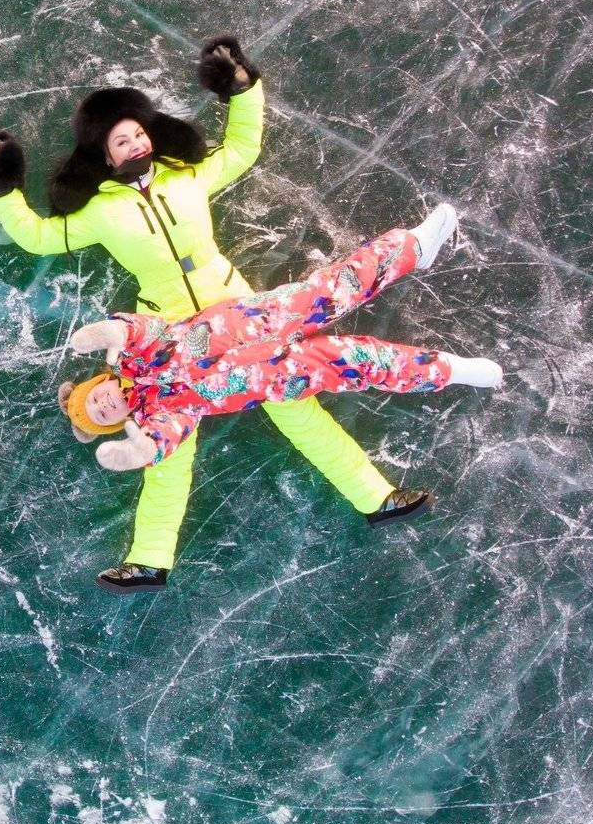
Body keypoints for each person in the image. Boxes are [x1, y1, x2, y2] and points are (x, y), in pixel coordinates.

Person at [0, 37, 432, 592]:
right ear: (105, 156)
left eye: (139, 133)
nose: (136, 143)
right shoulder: (98, 212)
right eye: (122, 140)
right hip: (169, 331)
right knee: (167, 445)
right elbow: (38, 237)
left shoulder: (185, 176)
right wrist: (5, 190)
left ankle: (377, 498)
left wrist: (241, 90)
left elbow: (241, 149)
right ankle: (149, 561)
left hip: (237, 309)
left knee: (297, 405)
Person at [59, 207, 502, 590]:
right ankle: (452, 369)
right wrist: (143, 449)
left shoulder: (139, 356)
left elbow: (144, 329)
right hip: (279, 375)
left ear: (99, 381)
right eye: (102, 416)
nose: (103, 405)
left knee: (337, 283)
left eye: (94, 399)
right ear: (115, 423)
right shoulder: (165, 411)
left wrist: (112, 332)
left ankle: (414, 247)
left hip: (266, 316)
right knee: (360, 360)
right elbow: (167, 435)